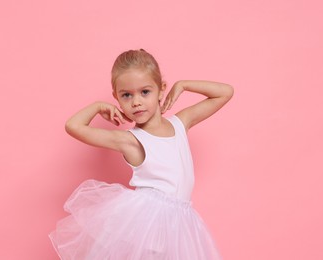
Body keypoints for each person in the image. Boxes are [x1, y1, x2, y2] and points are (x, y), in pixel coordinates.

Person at [49, 49, 234, 259]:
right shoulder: (131, 141)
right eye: (126, 95)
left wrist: (183, 84)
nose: (136, 101)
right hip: (148, 223)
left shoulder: (181, 123)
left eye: (145, 92)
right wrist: (97, 106)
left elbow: (225, 92)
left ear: (161, 89)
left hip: (181, 221)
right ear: (116, 97)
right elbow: (73, 126)